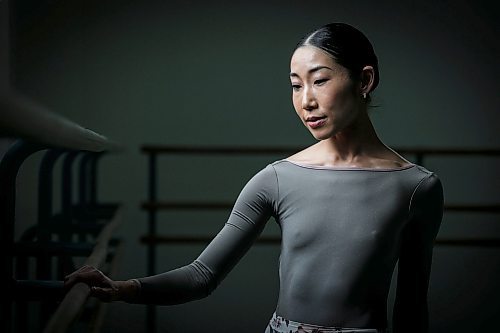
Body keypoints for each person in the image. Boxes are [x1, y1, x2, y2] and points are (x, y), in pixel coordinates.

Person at [65, 23, 444, 333]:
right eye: (296, 85)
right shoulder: (276, 179)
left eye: (320, 80)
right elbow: (202, 275)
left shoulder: (416, 188)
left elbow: (412, 307)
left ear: (364, 80)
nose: (306, 100)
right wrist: (121, 289)